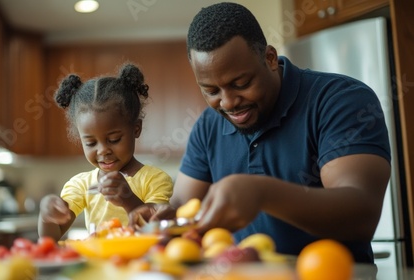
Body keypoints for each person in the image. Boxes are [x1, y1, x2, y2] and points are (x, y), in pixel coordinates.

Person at [129, 2, 391, 264]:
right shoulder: (208, 125)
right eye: (211, 91)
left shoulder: (339, 100)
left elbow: (361, 215)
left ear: (270, 58)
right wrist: (159, 215)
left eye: (241, 84)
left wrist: (262, 193)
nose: (229, 102)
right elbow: (183, 204)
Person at [39, 63, 174, 241]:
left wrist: (128, 199)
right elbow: (51, 236)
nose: (103, 150)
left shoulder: (155, 180)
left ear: (136, 129)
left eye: (114, 140)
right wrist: (47, 214)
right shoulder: (81, 185)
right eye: (90, 142)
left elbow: (160, 232)